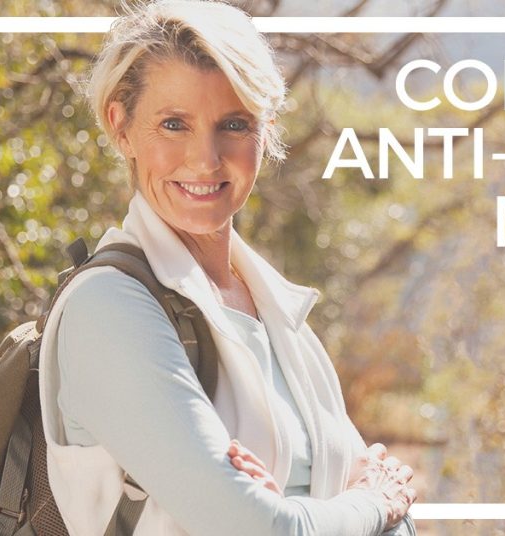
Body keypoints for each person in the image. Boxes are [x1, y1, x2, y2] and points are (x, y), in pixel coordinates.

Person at [35, 0, 418, 534]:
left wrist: (294, 513)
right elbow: (285, 525)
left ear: (267, 130)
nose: (206, 159)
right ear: (121, 127)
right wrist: (368, 505)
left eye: (233, 124)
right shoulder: (108, 309)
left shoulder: (282, 314)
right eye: (173, 124)